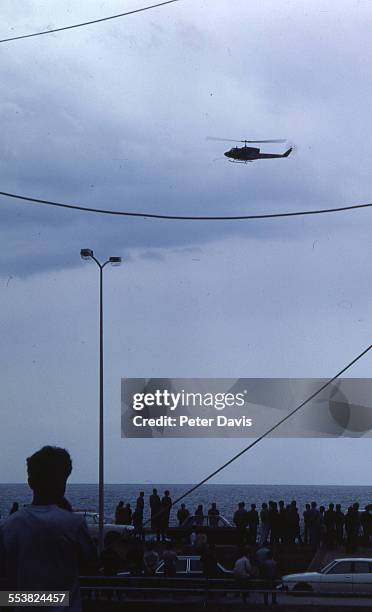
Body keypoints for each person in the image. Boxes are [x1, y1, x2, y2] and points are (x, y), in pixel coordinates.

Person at [0, 446, 96, 612]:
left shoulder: (10, 525)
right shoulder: (74, 524)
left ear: (30, 482)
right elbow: (92, 565)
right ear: (63, 482)